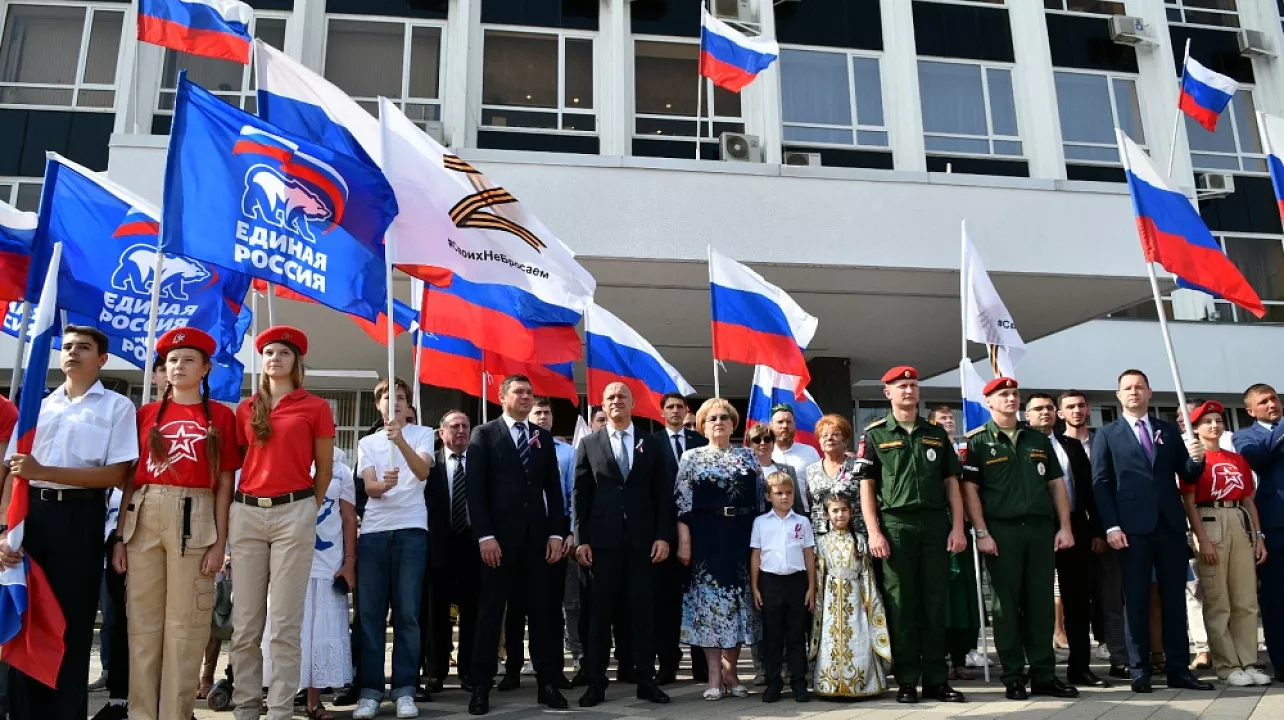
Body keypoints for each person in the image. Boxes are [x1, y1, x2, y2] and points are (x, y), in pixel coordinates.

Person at [0, 325, 137, 720]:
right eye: (69, 346)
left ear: (102, 359)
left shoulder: (115, 407)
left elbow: (116, 474)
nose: (73, 352)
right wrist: (5, 529)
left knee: (71, 621)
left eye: (84, 347)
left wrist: (48, 470)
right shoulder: (37, 406)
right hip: (31, 516)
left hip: (79, 517)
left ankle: (66, 712)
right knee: (25, 617)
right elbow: (14, 472)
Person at [112, 328, 239, 720]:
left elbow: (224, 483)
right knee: (144, 625)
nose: (178, 366)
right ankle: (142, 713)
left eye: (188, 359)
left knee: (186, 626)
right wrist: (119, 537)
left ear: (205, 368)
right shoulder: (144, 414)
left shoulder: (221, 415)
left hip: (196, 513)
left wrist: (220, 543)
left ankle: (176, 713)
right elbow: (130, 480)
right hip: (144, 513)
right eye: (171, 360)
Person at [229, 326, 336, 720]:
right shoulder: (245, 408)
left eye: (283, 353)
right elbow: (233, 467)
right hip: (247, 513)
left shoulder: (315, 407)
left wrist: (309, 506)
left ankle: (278, 712)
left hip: (295, 512)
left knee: (285, 624)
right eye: (269, 352)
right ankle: (245, 708)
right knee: (245, 626)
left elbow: (323, 468)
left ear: (296, 361)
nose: (274, 358)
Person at [1090, 369, 1213, 694]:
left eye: (1139, 387)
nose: (1133, 392)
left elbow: (1185, 471)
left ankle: (1178, 670)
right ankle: (1140, 669)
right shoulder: (1107, 433)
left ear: (1149, 393)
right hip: (1131, 529)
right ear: (1119, 395)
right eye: (1127, 388)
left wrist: (1197, 459)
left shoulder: (1168, 431)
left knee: (1175, 598)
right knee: (1137, 599)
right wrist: (1111, 525)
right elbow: (1101, 484)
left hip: (1170, 526)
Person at [961, 379, 1078, 700]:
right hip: (1002, 532)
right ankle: (1013, 675)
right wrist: (981, 532)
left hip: (1040, 530)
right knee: (1005, 606)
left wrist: (1065, 527)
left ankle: (1043, 674)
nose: (1011, 399)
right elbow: (969, 490)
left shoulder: (1036, 439)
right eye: (1003, 395)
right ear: (989, 402)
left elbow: (1056, 484)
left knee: (1040, 603)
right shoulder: (976, 442)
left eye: (1014, 394)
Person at [856, 366, 967, 705]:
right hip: (896, 527)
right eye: (901, 386)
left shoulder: (935, 433)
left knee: (934, 604)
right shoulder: (874, 435)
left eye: (913, 385)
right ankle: (906, 679)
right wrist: (874, 532)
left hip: (934, 525)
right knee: (902, 606)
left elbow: (952, 483)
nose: (909, 390)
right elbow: (867, 487)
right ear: (887, 393)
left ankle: (936, 679)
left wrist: (959, 527)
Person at [466, 375, 568, 715]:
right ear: (502, 396)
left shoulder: (541, 436)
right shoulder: (484, 434)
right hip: (497, 542)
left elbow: (554, 490)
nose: (526, 397)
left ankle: (547, 683)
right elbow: (475, 491)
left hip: (537, 542)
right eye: (519, 392)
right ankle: (481, 686)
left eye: (530, 393)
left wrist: (556, 533)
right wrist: (485, 535)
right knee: (491, 614)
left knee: (542, 613)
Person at [574, 383, 673, 707]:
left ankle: (646, 680)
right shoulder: (589, 443)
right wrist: (582, 539)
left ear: (632, 403)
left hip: (643, 544)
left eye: (622, 397)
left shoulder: (652, 443)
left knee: (644, 614)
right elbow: (580, 496)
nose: (616, 401)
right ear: (603, 404)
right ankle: (596, 684)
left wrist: (662, 536)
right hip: (602, 545)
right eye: (611, 397)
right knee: (599, 617)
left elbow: (662, 495)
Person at [353, 377, 434, 719]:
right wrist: (380, 486)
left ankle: (404, 689)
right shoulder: (367, 442)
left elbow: (423, 470)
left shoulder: (423, 433)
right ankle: (370, 690)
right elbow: (368, 486)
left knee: (407, 613)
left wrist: (400, 441)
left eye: (401, 398)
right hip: (374, 531)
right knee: (370, 614)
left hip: (412, 530)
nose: (395, 403)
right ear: (379, 405)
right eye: (389, 398)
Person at [675, 398, 763, 701]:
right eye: (712, 418)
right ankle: (713, 674)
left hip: (742, 537)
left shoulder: (749, 457)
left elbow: (761, 502)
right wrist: (684, 541)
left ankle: (732, 671)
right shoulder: (691, 457)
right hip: (706, 539)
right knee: (710, 607)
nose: (719, 422)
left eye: (725, 417)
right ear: (702, 425)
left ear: (733, 423)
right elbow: (682, 504)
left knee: (739, 606)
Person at [262, 447, 357, 719]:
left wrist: (350, 561)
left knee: (319, 629)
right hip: (289, 554)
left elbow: (349, 517)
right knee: (286, 625)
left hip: (329, 559)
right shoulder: (288, 459)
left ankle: (315, 702)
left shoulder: (341, 469)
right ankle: (279, 700)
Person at [1024, 393, 1110, 688]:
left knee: (1077, 601)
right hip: (1035, 528)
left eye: (1049, 408)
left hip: (1074, 527)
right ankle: (1037, 666)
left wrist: (1097, 530)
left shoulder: (1071, 445)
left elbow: (1089, 490)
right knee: (1034, 599)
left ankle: (1080, 667)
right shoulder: (1021, 444)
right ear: (1027, 415)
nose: (1045, 413)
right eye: (1038, 409)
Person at [1182, 400, 1270, 686]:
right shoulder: (1194, 461)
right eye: (1206, 421)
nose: (1214, 426)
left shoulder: (1236, 459)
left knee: (1245, 599)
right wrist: (1202, 539)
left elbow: (1248, 500)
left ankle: (1249, 661)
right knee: (1218, 600)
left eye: (1218, 420)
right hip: (1210, 519)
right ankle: (1227, 665)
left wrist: (1258, 536)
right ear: (1195, 428)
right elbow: (1189, 502)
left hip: (1239, 518)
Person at [1057, 391, 1130, 679]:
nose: (1077, 411)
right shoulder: (1058, 446)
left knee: (1112, 599)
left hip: (1109, 531)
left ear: (1089, 409)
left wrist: (1103, 530)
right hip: (1073, 534)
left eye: (1081, 406)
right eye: (1070, 407)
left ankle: (1120, 658)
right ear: (1060, 413)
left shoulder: (1105, 438)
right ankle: (1080, 663)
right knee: (1077, 602)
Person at [810, 485, 889, 698]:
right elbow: (818, 575)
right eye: (835, 511)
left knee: (858, 636)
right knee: (831, 637)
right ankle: (830, 683)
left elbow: (867, 574)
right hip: (831, 598)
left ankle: (862, 683)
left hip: (854, 596)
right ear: (826, 515)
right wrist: (819, 601)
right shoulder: (822, 542)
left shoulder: (860, 540)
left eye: (844, 510)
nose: (840, 514)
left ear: (852, 512)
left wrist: (867, 598)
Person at [651, 392, 707, 685]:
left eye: (679, 407)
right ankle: (668, 664)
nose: (675, 411)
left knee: (699, 599)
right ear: (662, 412)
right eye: (669, 407)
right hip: (663, 535)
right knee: (666, 603)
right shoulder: (650, 444)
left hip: (698, 533)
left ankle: (702, 666)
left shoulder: (700, 443)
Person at [425, 410, 480, 692]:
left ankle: (469, 670)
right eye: (454, 426)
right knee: (438, 611)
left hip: (473, 545)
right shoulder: (429, 463)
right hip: (439, 546)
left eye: (465, 426)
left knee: (471, 610)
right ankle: (436, 671)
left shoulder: (481, 462)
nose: (461, 430)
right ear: (441, 433)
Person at [1232, 383, 1284, 682]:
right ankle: (1281, 661)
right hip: (1276, 524)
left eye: (1274, 398)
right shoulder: (1245, 435)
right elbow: (1257, 458)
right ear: (1250, 410)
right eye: (1263, 401)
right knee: (1277, 598)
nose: (1271, 404)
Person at [750, 472, 816, 703]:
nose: (785, 497)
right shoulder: (760, 523)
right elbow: (756, 555)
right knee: (773, 636)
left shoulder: (802, 522)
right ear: (768, 496)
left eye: (789, 493)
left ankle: (799, 682)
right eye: (778, 493)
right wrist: (755, 587)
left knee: (797, 635)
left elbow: (808, 555)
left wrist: (811, 587)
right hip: (771, 583)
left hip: (797, 582)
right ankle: (774, 682)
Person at [802, 414, 859, 536]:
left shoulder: (858, 467)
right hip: (821, 538)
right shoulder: (811, 470)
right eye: (824, 435)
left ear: (845, 441)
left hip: (854, 537)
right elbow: (811, 502)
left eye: (835, 434)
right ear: (820, 441)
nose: (829, 438)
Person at [771, 403, 818, 506]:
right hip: (771, 516)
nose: (785, 426)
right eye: (780, 422)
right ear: (771, 425)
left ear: (794, 425)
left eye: (789, 422)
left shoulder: (810, 452)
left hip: (804, 514)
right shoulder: (764, 454)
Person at [748, 424, 802, 514]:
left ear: (773, 443)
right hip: (753, 523)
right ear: (750, 445)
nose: (762, 443)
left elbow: (797, 504)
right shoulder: (744, 472)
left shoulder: (788, 471)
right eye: (757, 440)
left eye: (767, 439)